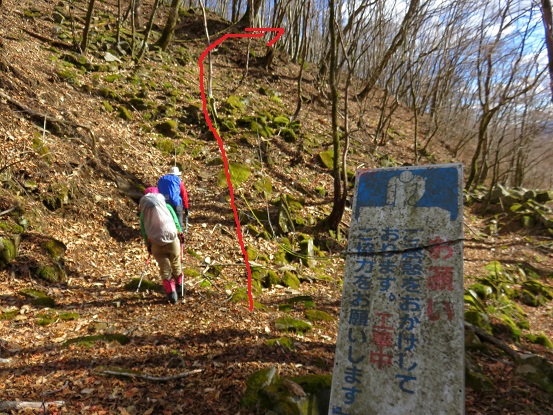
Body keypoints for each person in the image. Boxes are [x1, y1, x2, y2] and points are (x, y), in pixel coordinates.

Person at [139, 187, 184, 304]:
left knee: (164, 268)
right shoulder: (167, 207)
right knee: (175, 262)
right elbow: (175, 221)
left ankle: (172, 295)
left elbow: (144, 231)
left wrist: (148, 245)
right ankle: (180, 289)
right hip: (172, 240)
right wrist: (180, 233)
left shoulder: (143, 213)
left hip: (156, 244)